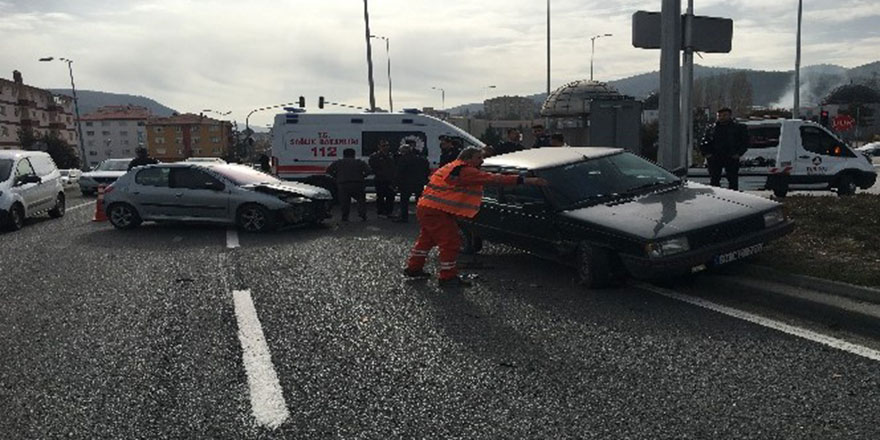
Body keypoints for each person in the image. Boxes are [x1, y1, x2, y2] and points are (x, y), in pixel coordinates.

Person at [404, 147, 548, 287]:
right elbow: (493, 179)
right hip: (437, 210)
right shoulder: (465, 170)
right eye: (478, 158)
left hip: (428, 207)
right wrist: (527, 181)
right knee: (450, 242)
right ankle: (447, 276)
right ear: (468, 158)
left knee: (426, 241)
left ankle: (414, 268)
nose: (482, 161)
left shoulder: (452, 167)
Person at [699, 107, 749, 190]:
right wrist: (706, 154)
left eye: (725, 115)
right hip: (715, 158)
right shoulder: (712, 128)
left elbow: (745, 142)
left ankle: (734, 197)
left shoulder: (738, 128)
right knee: (714, 180)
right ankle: (717, 197)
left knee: (732, 179)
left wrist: (739, 153)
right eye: (719, 116)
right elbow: (704, 141)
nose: (721, 117)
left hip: (731, 157)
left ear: (730, 116)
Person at [327, 148, 371, 221]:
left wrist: (336, 176)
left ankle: (345, 217)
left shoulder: (339, 162)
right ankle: (362, 215)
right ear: (354, 154)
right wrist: (363, 176)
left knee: (344, 202)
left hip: (343, 185)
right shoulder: (359, 162)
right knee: (361, 200)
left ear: (344, 155)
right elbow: (369, 171)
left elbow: (328, 170)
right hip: (358, 184)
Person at [393, 144, 430, 223]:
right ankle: (422, 216)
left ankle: (404, 217)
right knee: (419, 201)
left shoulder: (403, 159)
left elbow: (399, 172)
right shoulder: (421, 159)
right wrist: (424, 179)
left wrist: (395, 183)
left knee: (404, 202)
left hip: (406, 184)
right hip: (418, 183)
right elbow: (426, 170)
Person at [368, 139, 396, 217]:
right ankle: (381, 212)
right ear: (379, 147)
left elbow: (394, 167)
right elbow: (373, 168)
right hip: (380, 180)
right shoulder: (375, 156)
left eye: (387, 145)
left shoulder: (391, 155)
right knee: (380, 197)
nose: (385, 147)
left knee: (390, 196)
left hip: (390, 180)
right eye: (383, 146)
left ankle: (389, 212)